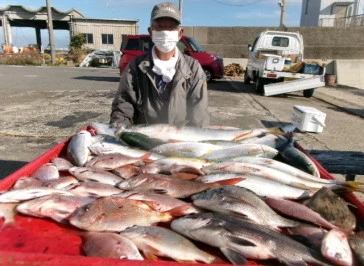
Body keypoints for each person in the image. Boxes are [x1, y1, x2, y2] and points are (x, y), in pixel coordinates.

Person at [110, 1, 209, 127]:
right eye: (159, 27)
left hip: (180, 141)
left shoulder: (193, 68)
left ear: (180, 33)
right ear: (151, 32)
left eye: (171, 27)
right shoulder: (134, 68)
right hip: (144, 140)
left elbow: (199, 112)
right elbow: (124, 106)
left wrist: (194, 141)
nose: (165, 32)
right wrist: (119, 130)